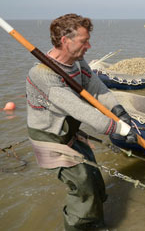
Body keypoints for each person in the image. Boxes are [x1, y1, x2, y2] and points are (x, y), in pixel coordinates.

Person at [26, 13, 135, 230]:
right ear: (65, 41)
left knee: (94, 177)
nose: (89, 46)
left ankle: (96, 221)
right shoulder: (43, 74)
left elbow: (96, 87)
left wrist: (118, 111)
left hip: (70, 132)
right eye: (84, 41)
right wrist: (116, 128)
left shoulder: (77, 62)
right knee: (83, 185)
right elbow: (80, 109)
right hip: (50, 137)